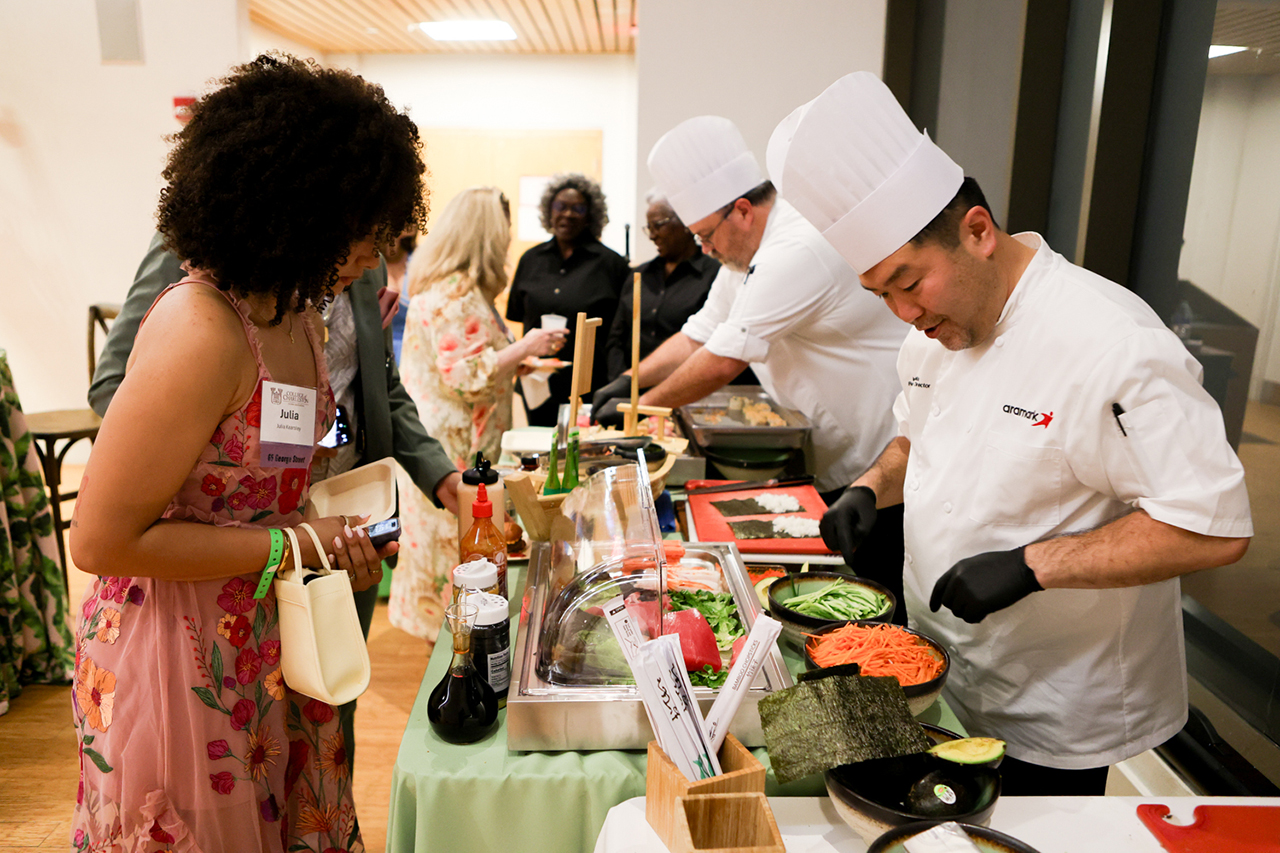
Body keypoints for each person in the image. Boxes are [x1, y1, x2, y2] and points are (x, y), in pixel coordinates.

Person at [772, 71, 1254, 795]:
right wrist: (871, 487)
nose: (903, 312)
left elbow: (1213, 526)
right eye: (881, 295)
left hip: (1063, 709)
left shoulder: (1111, 340)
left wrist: (1034, 564)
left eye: (910, 281)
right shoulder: (929, 336)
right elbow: (920, 438)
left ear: (977, 231)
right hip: (939, 668)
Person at [69, 53, 427, 850]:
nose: (378, 255)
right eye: (366, 234)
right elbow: (100, 539)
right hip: (180, 645)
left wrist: (332, 518)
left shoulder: (295, 313)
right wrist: (295, 540)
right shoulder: (200, 329)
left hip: (269, 627)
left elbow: (281, 445)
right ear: (301, 213)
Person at [593, 116, 908, 583]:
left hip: (881, 453)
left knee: (870, 586)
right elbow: (702, 331)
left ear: (742, 210)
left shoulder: (795, 248)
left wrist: (641, 410)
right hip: (832, 445)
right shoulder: (746, 251)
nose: (703, 248)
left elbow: (724, 359)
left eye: (705, 234)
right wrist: (629, 381)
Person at [391, 187, 566, 641]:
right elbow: (465, 375)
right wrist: (524, 347)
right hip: (450, 454)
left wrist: (520, 359)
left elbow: (478, 358)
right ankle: (454, 662)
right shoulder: (454, 295)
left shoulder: (460, 292)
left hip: (460, 450)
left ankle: (460, 651)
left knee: (460, 558)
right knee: (452, 562)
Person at [505, 173, 629, 425]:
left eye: (578, 208)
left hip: (592, 385)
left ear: (591, 215)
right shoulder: (530, 260)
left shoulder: (612, 264)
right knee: (540, 452)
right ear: (549, 211)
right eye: (560, 206)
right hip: (539, 383)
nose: (568, 214)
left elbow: (621, 331)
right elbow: (518, 316)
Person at [604, 193, 721, 381]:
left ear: (685, 222)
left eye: (658, 225)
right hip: (633, 390)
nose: (652, 236)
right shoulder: (639, 275)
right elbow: (616, 338)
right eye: (648, 228)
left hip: (687, 390)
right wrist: (622, 382)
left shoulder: (715, 275)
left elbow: (713, 345)